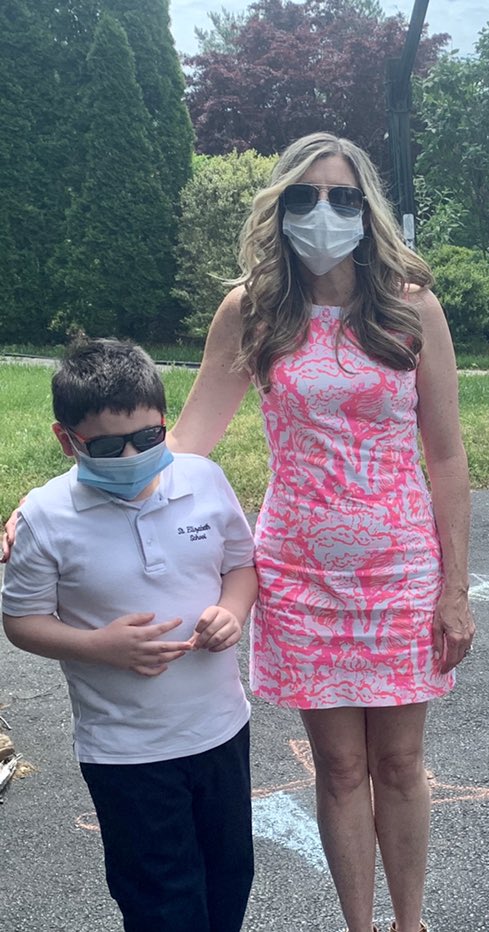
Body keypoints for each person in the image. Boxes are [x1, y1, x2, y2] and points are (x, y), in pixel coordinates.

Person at [166, 132, 474, 932]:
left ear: (367, 209)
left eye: (342, 197)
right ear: (280, 209)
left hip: (401, 573)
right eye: (304, 196)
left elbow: (446, 455)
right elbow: (188, 441)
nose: (323, 211)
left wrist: (456, 588)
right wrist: (62, 496)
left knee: (399, 764)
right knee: (338, 768)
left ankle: (410, 923)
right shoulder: (253, 312)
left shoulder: (411, 307)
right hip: (299, 576)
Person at [1, 338, 257, 932]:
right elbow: (21, 621)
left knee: (229, 879)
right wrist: (98, 646)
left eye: (148, 437)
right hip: (126, 751)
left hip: (220, 730)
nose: (133, 455)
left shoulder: (204, 480)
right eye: (109, 447)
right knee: (162, 901)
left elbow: (241, 565)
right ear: (67, 440)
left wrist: (232, 610)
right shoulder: (46, 517)